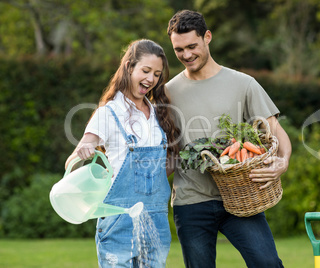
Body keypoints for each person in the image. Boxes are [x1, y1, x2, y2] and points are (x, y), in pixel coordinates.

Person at [166, 10, 292, 267]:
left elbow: (276, 133)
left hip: (239, 197)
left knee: (268, 263)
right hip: (191, 200)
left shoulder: (243, 84)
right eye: (179, 50)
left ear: (207, 37)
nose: (187, 55)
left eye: (192, 46)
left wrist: (284, 161)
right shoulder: (167, 92)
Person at [65, 39, 180, 267]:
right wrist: (83, 154)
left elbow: (160, 169)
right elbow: (72, 161)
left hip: (155, 219)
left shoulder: (158, 115)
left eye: (157, 74)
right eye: (145, 70)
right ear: (129, 67)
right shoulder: (108, 113)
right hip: (119, 219)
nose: (151, 79)